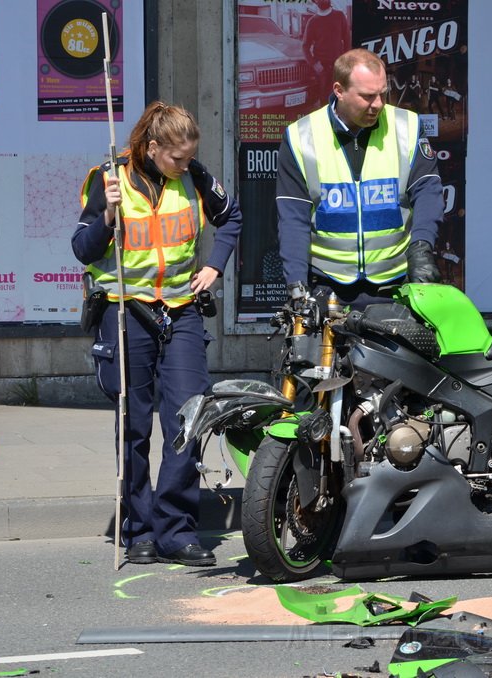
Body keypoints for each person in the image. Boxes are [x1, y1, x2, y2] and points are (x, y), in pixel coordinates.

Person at [72, 102, 243, 567]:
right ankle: (139, 528)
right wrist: (107, 218)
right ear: (152, 148)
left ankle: (177, 529)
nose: (184, 166)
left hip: (181, 312)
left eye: (189, 158)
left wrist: (214, 265)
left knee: (188, 421)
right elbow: (81, 249)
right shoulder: (109, 180)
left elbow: (232, 218)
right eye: (177, 159)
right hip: (126, 311)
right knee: (133, 424)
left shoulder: (196, 177)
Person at [276, 48, 443, 310]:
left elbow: (428, 191)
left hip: (394, 285)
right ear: (339, 90)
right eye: (367, 96)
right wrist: (297, 286)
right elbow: (292, 216)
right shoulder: (301, 136)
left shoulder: (407, 126)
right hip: (326, 284)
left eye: (382, 93)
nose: (378, 104)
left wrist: (421, 247)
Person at [301, 0, 349, 102]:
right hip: (322, 69)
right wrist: (315, 64)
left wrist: (345, 61)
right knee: (324, 101)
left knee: (340, 99)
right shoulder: (312, 22)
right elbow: (305, 47)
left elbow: (347, 39)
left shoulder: (339, 16)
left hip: (338, 66)